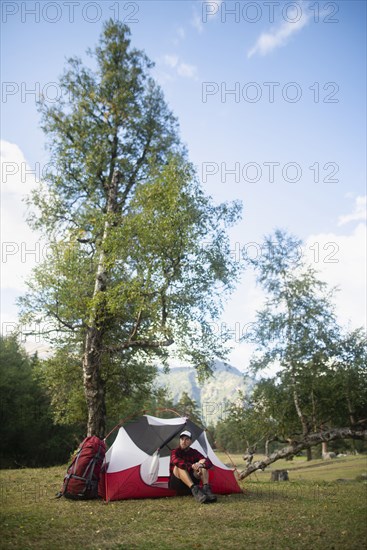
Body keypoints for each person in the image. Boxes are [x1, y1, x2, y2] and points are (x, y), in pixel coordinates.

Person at [169, 430, 217, 503]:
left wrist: (200, 465)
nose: (183, 441)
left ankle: (206, 490)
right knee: (178, 466)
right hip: (177, 483)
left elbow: (209, 463)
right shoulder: (175, 451)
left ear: (190, 442)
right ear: (179, 440)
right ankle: (195, 490)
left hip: (191, 480)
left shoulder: (194, 452)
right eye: (182, 439)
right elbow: (176, 461)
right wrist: (192, 466)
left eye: (186, 439)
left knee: (203, 463)